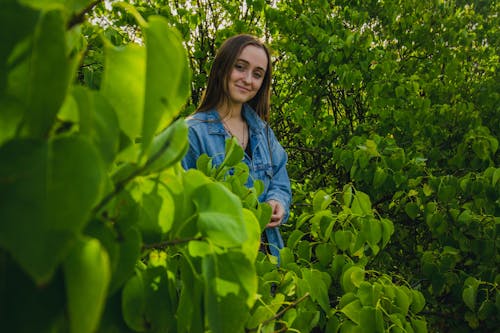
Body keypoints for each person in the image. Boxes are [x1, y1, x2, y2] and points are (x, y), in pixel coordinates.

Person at [181, 34, 292, 261]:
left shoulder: (263, 132)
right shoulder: (192, 133)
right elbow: (182, 207)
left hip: (270, 264)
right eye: (240, 67)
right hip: (219, 263)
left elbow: (280, 180)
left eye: (257, 74)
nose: (248, 79)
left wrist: (277, 202)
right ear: (223, 67)